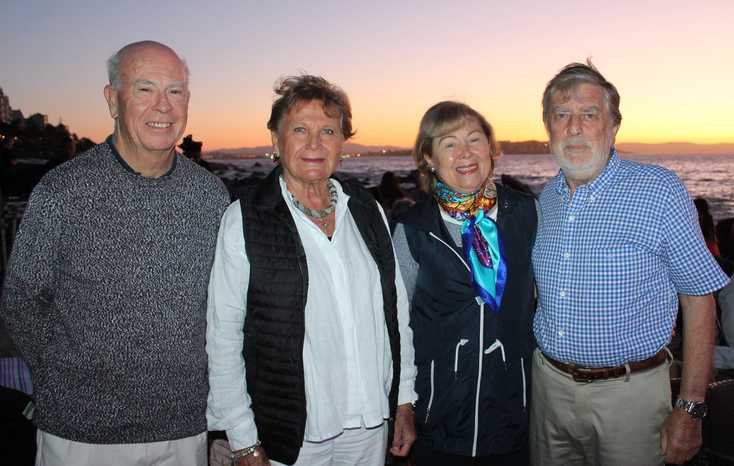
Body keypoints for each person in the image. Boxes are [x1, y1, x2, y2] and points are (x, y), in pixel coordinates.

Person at [0, 40, 230, 466]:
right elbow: (21, 300)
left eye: (175, 91)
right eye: (145, 89)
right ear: (112, 99)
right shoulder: (62, 191)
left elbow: (222, 310)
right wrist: (61, 381)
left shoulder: (211, 196)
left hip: (183, 430)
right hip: (80, 435)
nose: (163, 106)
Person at [206, 75, 417, 466]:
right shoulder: (246, 218)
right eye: (300, 129)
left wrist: (403, 397)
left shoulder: (367, 211)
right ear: (275, 139)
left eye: (328, 131)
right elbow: (223, 335)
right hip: (290, 434)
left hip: (369, 423)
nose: (314, 143)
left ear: (342, 142)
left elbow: (396, 313)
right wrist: (243, 439)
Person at [530, 61, 730, 466]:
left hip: (631, 396)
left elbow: (699, 298)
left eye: (589, 114)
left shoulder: (658, 190)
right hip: (548, 390)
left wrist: (691, 409)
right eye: (561, 115)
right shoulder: (546, 199)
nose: (574, 128)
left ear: (614, 125)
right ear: (548, 127)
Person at [392, 101, 537, 465]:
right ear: (428, 157)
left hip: (514, 413)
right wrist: (402, 404)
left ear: (491, 147)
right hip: (438, 417)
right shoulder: (412, 229)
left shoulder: (527, 213)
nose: (466, 153)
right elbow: (395, 328)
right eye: (449, 143)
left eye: (475, 139)